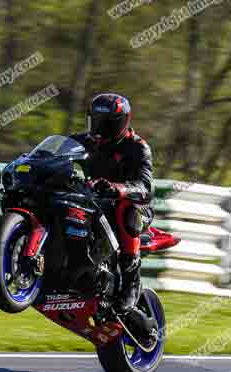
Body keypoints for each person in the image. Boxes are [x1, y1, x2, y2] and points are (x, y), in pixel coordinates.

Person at [71, 93, 157, 342]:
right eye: (96, 121)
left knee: (127, 208)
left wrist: (118, 188)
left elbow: (146, 187)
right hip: (91, 203)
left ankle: (131, 279)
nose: (99, 129)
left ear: (121, 123)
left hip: (132, 207)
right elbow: (54, 154)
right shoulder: (82, 141)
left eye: (106, 123)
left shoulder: (137, 147)